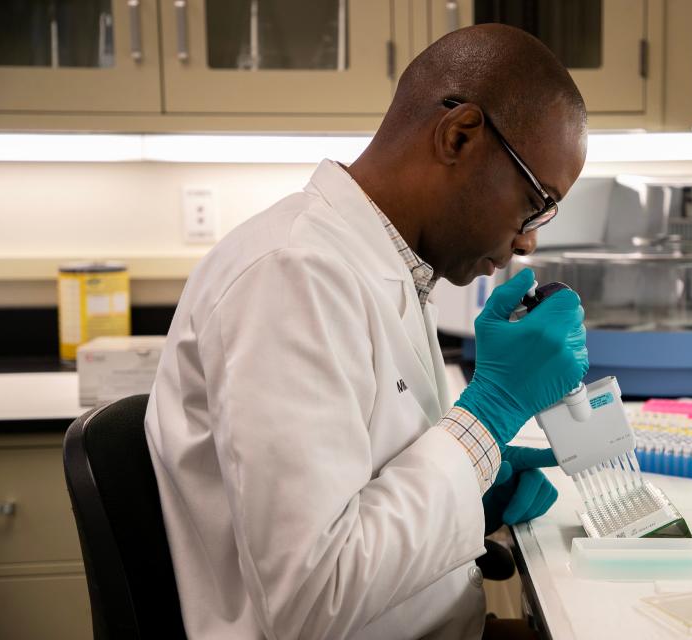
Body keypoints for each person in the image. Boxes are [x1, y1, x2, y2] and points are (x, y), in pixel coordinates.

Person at [145, 23, 589, 640]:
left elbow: (364, 491)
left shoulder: (384, 264)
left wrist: (475, 482)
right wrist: (487, 419)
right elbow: (311, 599)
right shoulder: (290, 275)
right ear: (459, 135)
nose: (527, 239)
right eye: (535, 200)